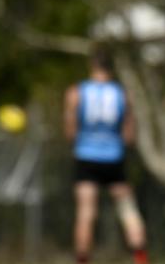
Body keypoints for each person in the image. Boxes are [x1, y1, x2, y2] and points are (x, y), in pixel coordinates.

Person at [64, 49, 148, 264]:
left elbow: (70, 131)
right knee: (128, 210)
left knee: (86, 213)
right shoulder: (122, 93)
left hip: (86, 157)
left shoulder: (76, 92)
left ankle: (83, 259)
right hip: (114, 158)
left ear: (92, 65)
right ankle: (140, 258)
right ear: (111, 68)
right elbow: (129, 136)